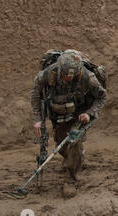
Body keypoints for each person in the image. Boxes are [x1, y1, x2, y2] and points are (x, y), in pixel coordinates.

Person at [30, 50, 106, 181]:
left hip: (78, 114)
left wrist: (89, 113)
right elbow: (36, 94)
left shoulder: (87, 77)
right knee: (61, 145)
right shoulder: (47, 74)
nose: (70, 78)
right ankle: (73, 158)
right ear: (60, 69)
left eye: (73, 75)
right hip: (58, 115)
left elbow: (102, 96)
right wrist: (38, 119)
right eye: (66, 75)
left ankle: (72, 177)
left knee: (74, 140)